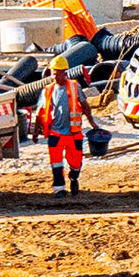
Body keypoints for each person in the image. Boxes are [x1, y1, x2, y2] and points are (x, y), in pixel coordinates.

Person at [32, 53, 96, 198]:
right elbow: (40, 112)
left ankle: (74, 177)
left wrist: (93, 123)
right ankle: (59, 189)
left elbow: (85, 106)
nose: (57, 77)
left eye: (59, 74)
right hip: (55, 133)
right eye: (54, 74)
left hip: (73, 133)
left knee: (76, 162)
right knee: (56, 163)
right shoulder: (47, 90)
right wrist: (36, 132)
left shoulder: (74, 87)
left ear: (65, 73)